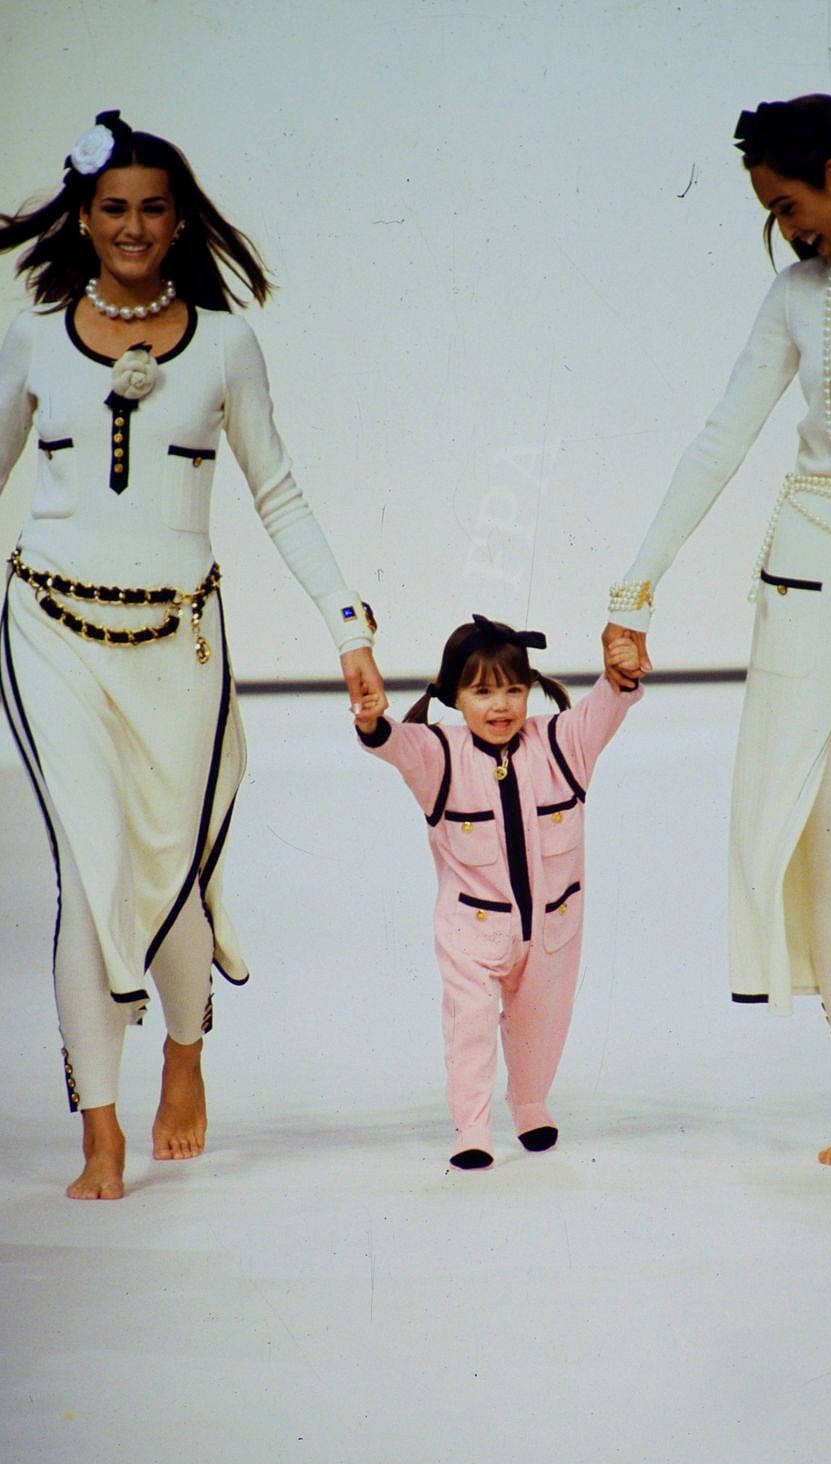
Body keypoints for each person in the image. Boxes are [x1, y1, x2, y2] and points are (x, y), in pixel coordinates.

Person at [0, 111, 386, 1199]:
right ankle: (100, 1131)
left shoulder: (224, 343)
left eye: (153, 209)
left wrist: (348, 628)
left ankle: (184, 1049)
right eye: (113, 208)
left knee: (174, 867)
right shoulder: (33, 335)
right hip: (51, 632)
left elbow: (279, 492)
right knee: (92, 866)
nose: (132, 226)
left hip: (180, 640)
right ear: (83, 217)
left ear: (180, 222)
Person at [603, 94, 831, 1167]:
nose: (785, 227)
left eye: (788, 203)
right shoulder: (796, 298)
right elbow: (723, 435)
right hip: (808, 577)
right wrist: (634, 590)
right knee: (827, 847)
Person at [354, 615, 644, 1168]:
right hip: (472, 930)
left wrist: (619, 677)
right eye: (482, 692)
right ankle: (472, 1127)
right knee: (471, 1022)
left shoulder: (561, 744)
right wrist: (372, 722)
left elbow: (603, 710)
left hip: (552, 928)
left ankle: (531, 1105)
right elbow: (395, 743)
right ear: (454, 697)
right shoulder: (439, 755)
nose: (501, 706)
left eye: (513, 689)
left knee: (542, 1022)